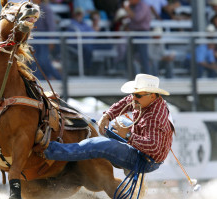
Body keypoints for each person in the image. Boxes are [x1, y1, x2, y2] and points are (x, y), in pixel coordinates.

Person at [43, 74, 174, 173]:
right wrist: (107, 115)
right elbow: (125, 102)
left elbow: (154, 148)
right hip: (140, 147)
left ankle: (49, 150)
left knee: (100, 145)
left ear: (152, 96)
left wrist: (128, 136)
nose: (134, 97)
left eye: (138, 95)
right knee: (112, 126)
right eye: (134, 93)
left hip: (145, 160)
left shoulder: (155, 117)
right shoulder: (144, 100)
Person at [30, 0, 62, 80]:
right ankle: (39, 81)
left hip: (43, 37)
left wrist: (51, 40)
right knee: (34, 61)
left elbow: (51, 26)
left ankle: (59, 78)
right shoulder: (29, 9)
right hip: (33, 37)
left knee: (44, 60)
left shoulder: (46, 8)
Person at [124, 0, 152, 74]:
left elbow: (137, 18)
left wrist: (128, 9)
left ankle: (147, 76)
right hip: (134, 33)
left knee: (143, 56)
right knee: (128, 55)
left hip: (142, 33)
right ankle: (131, 76)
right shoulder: (134, 6)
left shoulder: (143, 6)